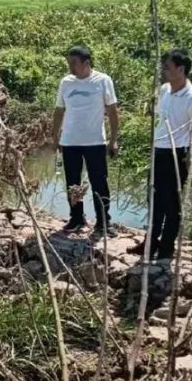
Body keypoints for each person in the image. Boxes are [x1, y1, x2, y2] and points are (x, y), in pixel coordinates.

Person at [52, 45, 120, 238]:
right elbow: (59, 111)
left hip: (95, 142)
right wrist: (55, 137)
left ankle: (103, 221)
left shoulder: (102, 80)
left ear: (86, 63)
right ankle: (76, 218)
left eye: (74, 63)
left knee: (99, 181)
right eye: (69, 63)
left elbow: (113, 111)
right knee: (72, 182)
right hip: (70, 141)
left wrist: (114, 140)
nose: (70, 67)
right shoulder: (66, 83)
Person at [146, 48, 192, 262]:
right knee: (155, 200)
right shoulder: (164, 90)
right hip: (159, 151)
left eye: (168, 67)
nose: (164, 70)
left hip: (177, 154)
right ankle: (150, 244)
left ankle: (166, 247)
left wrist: (188, 154)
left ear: (181, 69)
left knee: (172, 204)